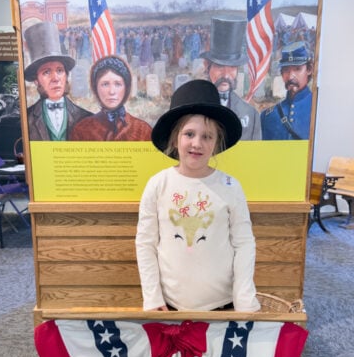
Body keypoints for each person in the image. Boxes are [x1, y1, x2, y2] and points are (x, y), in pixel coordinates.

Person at [135, 79, 260, 313]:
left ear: (216, 142)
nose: (197, 143)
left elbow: (244, 243)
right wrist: (152, 297)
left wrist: (244, 297)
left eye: (207, 136)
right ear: (175, 138)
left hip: (222, 305)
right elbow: (145, 244)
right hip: (170, 306)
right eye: (189, 134)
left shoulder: (230, 186)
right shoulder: (158, 185)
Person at [24, 21, 91, 141]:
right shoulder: (26, 118)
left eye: (60, 70)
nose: (55, 78)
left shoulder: (86, 118)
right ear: (36, 80)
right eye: (46, 72)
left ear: (66, 75)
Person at [201, 17, 261, 141]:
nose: (226, 75)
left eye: (232, 67)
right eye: (219, 66)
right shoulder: (192, 107)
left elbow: (255, 156)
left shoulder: (250, 114)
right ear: (207, 66)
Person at [70, 55, 152, 141]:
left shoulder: (142, 130)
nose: (112, 91)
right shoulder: (82, 130)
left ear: (126, 88)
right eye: (105, 84)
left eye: (117, 84)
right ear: (95, 88)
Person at [260, 41, 313, 140]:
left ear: (309, 70)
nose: (291, 76)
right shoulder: (268, 116)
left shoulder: (318, 109)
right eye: (286, 70)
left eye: (297, 69)